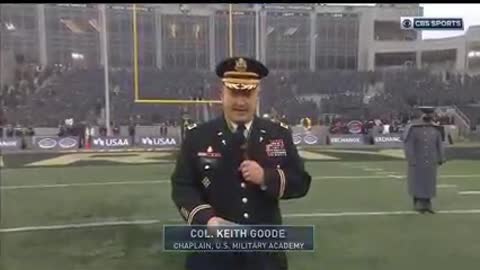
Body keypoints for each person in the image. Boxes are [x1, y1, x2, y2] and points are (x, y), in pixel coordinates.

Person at [171, 57, 312, 270]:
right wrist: (206, 220)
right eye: (234, 93)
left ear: (257, 95)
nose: (240, 102)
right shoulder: (198, 137)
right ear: (221, 94)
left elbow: (301, 181)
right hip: (212, 254)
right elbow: (183, 186)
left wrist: (266, 177)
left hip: (264, 256)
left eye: (247, 94)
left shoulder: (278, 135)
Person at [403, 106, 446, 214]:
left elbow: (439, 144)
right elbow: (409, 145)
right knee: (417, 182)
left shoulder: (435, 129)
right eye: (426, 114)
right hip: (417, 160)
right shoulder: (413, 128)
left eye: (430, 114)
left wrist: (441, 157)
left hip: (431, 160)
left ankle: (428, 204)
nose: (428, 116)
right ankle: (417, 204)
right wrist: (411, 158)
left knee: (429, 183)